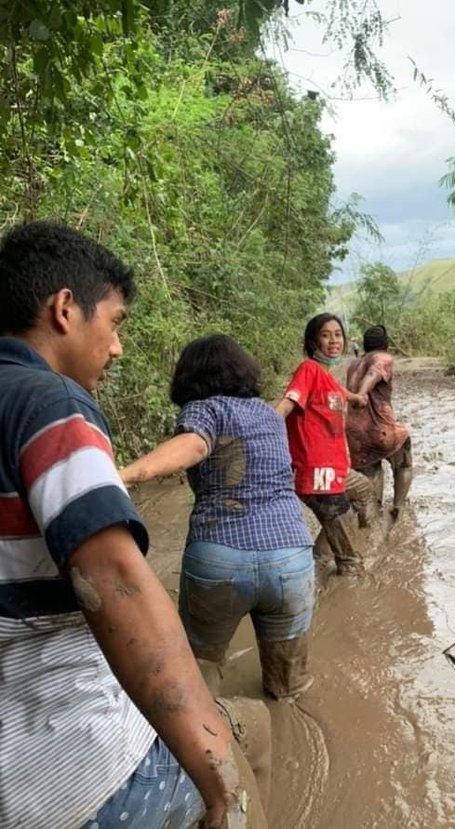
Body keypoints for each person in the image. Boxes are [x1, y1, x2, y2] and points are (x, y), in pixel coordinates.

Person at [0, 221, 266, 829]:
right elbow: (118, 580)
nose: (117, 347)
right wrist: (221, 778)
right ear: (65, 309)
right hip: (79, 771)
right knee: (255, 741)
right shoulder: (50, 403)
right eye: (115, 322)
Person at [120, 334, 315, 702]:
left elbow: (194, 444)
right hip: (291, 556)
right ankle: (289, 739)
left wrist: (125, 475)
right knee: (289, 685)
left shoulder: (203, 410)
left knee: (200, 672)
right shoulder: (269, 415)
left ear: (189, 377)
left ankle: (218, 745)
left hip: (220, 558)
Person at [275, 313, 371, 576]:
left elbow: (342, 395)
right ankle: (338, 573)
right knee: (352, 566)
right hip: (317, 473)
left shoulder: (326, 376)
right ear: (312, 341)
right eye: (326, 335)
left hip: (336, 469)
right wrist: (264, 428)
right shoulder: (308, 370)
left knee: (363, 490)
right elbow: (287, 404)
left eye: (338, 335)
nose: (333, 341)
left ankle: (320, 555)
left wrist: (358, 398)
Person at [345, 324, 412, 520]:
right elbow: (374, 373)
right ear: (386, 345)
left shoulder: (353, 364)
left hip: (355, 434)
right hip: (381, 429)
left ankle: (372, 515)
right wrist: (361, 394)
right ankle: (398, 507)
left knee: (371, 474)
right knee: (404, 461)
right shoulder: (383, 358)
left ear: (365, 345)